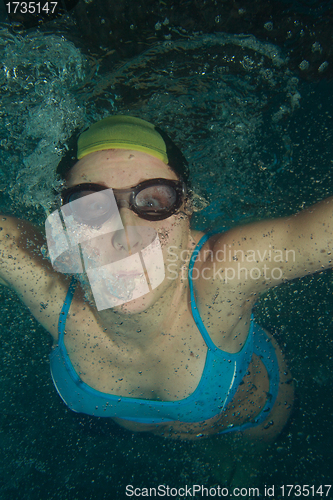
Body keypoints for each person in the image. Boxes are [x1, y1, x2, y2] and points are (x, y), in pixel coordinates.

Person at [0, 115, 331, 441]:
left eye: (154, 201)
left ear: (187, 209)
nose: (126, 236)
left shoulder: (225, 272)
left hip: (253, 418)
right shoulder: (43, 274)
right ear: (62, 227)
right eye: (90, 206)